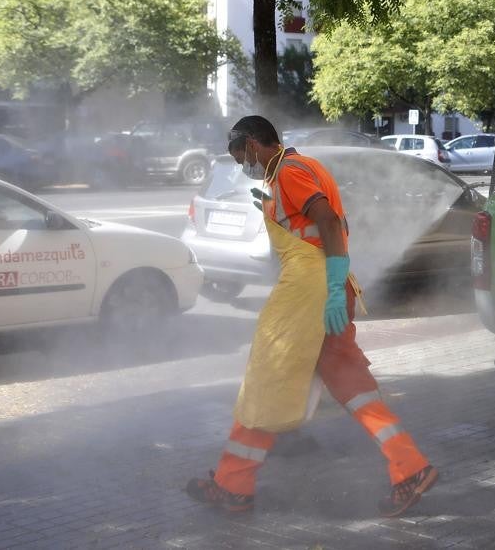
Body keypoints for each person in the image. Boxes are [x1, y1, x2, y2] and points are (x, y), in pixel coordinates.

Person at [186, 115, 438, 518]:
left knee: (267, 378)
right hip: (326, 287)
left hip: (310, 289)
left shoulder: (287, 171)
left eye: (241, 157)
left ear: (253, 143)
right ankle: (410, 466)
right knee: (353, 386)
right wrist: (274, 210)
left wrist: (333, 286)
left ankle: (233, 486)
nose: (242, 166)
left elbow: (330, 221)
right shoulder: (302, 167)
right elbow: (314, 223)